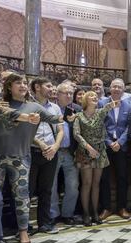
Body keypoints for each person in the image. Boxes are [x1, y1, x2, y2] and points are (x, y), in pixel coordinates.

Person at [0, 73, 63, 243]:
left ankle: (23, 231)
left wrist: (67, 117)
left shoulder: (33, 106)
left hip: (21, 158)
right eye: (18, 83)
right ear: (9, 87)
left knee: (22, 197)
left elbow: (53, 118)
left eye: (24, 83)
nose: (22, 85)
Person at [73, 91, 119, 226]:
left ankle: (95, 212)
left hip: (99, 151)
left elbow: (110, 106)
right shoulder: (79, 116)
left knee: (96, 184)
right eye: (91, 96)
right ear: (85, 100)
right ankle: (86, 213)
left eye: (96, 97)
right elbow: (76, 134)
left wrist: (115, 103)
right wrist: (88, 148)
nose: (94, 98)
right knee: (86, 183)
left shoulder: (100, 112)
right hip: (85, 152)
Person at [29, 77, 64, 234]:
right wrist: (41, 144)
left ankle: (44, 223)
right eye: (48, 86)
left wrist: (55, 147)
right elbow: (24, 131)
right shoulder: (27, 105)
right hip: (32, 151)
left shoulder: (55, 108)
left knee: (46, 190)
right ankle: (24, 226)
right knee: (27, 191)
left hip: (51, 153)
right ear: (37, 87)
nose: (52, 88)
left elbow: (60, 130)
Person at [99, 78, 131, 220]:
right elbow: (99, 125)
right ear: (110, 88)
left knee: (122, 177)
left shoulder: (128, 106)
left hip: (122, 146)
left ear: (123, 90)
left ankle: (122, 207)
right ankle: (106, 208)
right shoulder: (102, 104)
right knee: (105, 178)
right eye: (114, 86)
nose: (117, 89)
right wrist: (108, 142)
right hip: (106, 146)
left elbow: (128, 127)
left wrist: (120, 142)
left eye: (120, 87)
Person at [50, 82, 82, 225]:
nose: (69, 95)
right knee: (52, 184)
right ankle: (53, 214)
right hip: (54, 151)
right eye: (65, 93)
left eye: (71, 93)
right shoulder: (50, 108)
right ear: (57, 94)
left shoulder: (76, 109)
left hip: (70, 152)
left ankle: (68, 213)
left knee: (73, 184)